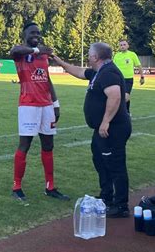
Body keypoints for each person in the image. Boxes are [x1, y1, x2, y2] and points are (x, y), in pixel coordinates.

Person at [53, 43, 132, 218]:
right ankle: (106, 196)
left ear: (96, 57)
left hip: (113, 128)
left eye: (89, 55)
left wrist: (105, 122)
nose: (88, 57)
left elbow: (115, 96)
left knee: (115, 165)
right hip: (102, 129)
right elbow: (79, 72)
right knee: (100, 161)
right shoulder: (98, 72)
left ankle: (121, 205)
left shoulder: (109, 72)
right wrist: (60, 62)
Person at [10, 22, 69, 204]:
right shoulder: (21, 53)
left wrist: (56, 103)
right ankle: (17, 187)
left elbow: (47, 79)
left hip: (46, 106)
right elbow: (15, 50)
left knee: (48, 145)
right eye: (32, 33)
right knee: (25, 145)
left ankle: (50, 187)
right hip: (28, 105)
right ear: (24, 34)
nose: (36, 35)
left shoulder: (43, 55)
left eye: (39, 33)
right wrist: (37, 50)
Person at [113, 40, 145, 114]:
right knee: (120, 97)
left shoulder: (132, 54)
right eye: (121, 45)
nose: (122, 46)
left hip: (128, 79)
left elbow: (139, 65)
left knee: (125, 96)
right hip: (118, 79)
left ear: (128, 46)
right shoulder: (117, 55)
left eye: (124, 44)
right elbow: (113, 67)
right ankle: (125, 112)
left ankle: (126, 112)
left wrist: (142, 77)